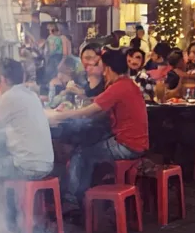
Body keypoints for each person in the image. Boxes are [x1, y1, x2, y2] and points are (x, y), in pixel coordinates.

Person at [53, 47, 148, 210]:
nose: (103, 73)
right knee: (88, 150)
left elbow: (89, 110)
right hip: (138, 142)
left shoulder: (118, 87)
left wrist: (58, 116)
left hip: (127, 145)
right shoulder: (128, 84)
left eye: (104, 69)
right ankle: (83, 198)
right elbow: (97, 101)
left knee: (81, 152)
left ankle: (71, 202)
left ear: (109, 69)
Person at [0, 58, 54, 181]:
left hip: (25, 166)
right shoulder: (31, 94)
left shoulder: (10, 96)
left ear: (2, 79)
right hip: (46, 164)